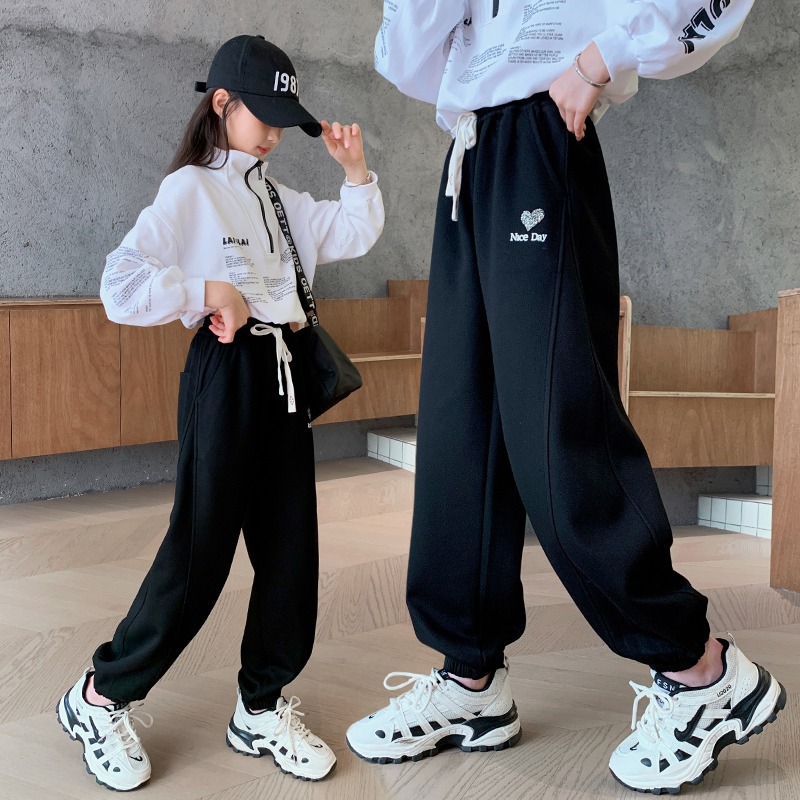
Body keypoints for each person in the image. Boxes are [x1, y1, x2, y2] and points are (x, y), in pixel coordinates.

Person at [346, 2, 786, 794]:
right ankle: (471, 678)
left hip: (543, 133)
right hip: (471, 152)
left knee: (555, 427)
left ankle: (701, 672)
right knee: (460, 430)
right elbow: (406, 62)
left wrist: (600, 57)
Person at [56, 34, 384, 791]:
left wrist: (355, 173)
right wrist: (209, 291)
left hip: (283, 378)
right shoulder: (189, 191)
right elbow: (121, 284)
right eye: (262, 115)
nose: (272, 134)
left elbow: (353, 231)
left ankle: (260, 706)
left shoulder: (277, 197)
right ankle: (101, 696)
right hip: (226, 376)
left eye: (283, 121)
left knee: (291, 552)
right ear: (222, 103)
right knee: (199, 555)